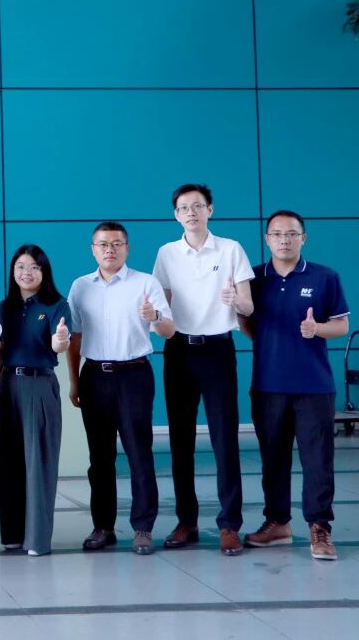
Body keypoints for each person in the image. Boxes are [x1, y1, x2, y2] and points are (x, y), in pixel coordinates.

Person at [151, 184, 253, 556]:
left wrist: (236, 300)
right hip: (179, 350)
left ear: (210, 209)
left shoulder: (230, 249)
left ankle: (229, 524)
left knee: (225, 439)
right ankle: (187, 522)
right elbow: (162, 307)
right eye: (183, 207)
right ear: (176, 214)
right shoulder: (167, 253)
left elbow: (249, 307)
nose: (191, 213)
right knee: (180, 441)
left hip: (218, 351)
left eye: (197, 206)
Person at [240, 210, 349, 560]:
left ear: (303, 238)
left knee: (318, 460)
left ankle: (320, 527)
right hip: (268, 385)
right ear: (266, 239)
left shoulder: (325, 277)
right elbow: (246, 322)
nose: (284, 239)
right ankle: (278, 523)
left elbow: (341, 326)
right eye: (276, 234)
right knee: (273, 459)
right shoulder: (253, 278)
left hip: (314, 386)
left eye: (291, 233)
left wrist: (317, 329)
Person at [68, 221, 175, 556]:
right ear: (93, 250)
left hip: (134, 375)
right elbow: (75, 338)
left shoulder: (145, 283)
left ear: (127, 248)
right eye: (103, 244)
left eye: (116, 243)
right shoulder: (80, 287)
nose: (109, 250)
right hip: (94, 376)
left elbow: (169, 330)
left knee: (139, 452)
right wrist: (74, 380)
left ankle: (143, 527)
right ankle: (103, 526)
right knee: (99, 457)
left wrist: (154, 314)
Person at [0, 244, 70, 557]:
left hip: (39, 384)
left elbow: (58, 343)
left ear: (44, 271)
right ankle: (12, 535)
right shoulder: (5, 306)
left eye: (34, 267)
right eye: (21, 266)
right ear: (13, 271)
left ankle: (37, 539)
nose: (27, 272)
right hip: (9, 383)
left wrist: (60, 341)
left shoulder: (56, 304)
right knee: (9, 462)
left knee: (38, 464)